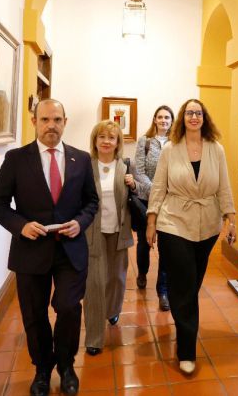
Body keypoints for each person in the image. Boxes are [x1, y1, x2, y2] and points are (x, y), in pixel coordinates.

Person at [0, 99, 98, 396]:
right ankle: (42, 369)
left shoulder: (82, 159)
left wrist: (80, 222)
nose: (52, 125)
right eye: (45, 119)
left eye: (57, 120)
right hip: (30, 251)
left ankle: (66, 366)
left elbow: (92, 202)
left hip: (70, 250)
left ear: (65, 121)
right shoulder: (16, 159)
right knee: (34, 314)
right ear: (34, 121)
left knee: (68, 307)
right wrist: (21, 225)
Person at [146, 99, 236, 375]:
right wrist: (151, 221)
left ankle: (181, 311)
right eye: (189, 113)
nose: (193, 117)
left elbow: (223, 187)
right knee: (184, 282)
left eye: (198, 113)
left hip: (207, 225)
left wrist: (230, 218)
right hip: (173, 221)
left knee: (189, 284)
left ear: (204, 117)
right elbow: (159, 187)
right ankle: (187, 350)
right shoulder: (170, 150)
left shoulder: (216, 149)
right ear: (182, 119)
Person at [82, 120, 135, 356]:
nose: (106, 141)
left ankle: (113, 309)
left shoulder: (124, 167)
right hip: (93, 233)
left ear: (117, 143)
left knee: (116, 277)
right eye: (101, 137)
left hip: (118, 231)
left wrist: (133, 185)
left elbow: (138, 196)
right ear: (95, 141)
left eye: (111, 138)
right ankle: (94, 337)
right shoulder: (85, 166)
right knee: (94, 283)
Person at [133, 105, 174, 311]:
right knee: (144, 242)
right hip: (146, 199)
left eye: (167, 117)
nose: (164, 120)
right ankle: (142, 273)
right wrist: (156, 193)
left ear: (172, 120)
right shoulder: (145, 142)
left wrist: (166, 195)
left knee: (166, 246)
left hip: (170, 203)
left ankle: (163, 291)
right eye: (160, 117)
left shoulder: (177, 143)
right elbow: (138, 172)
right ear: (155, 120)